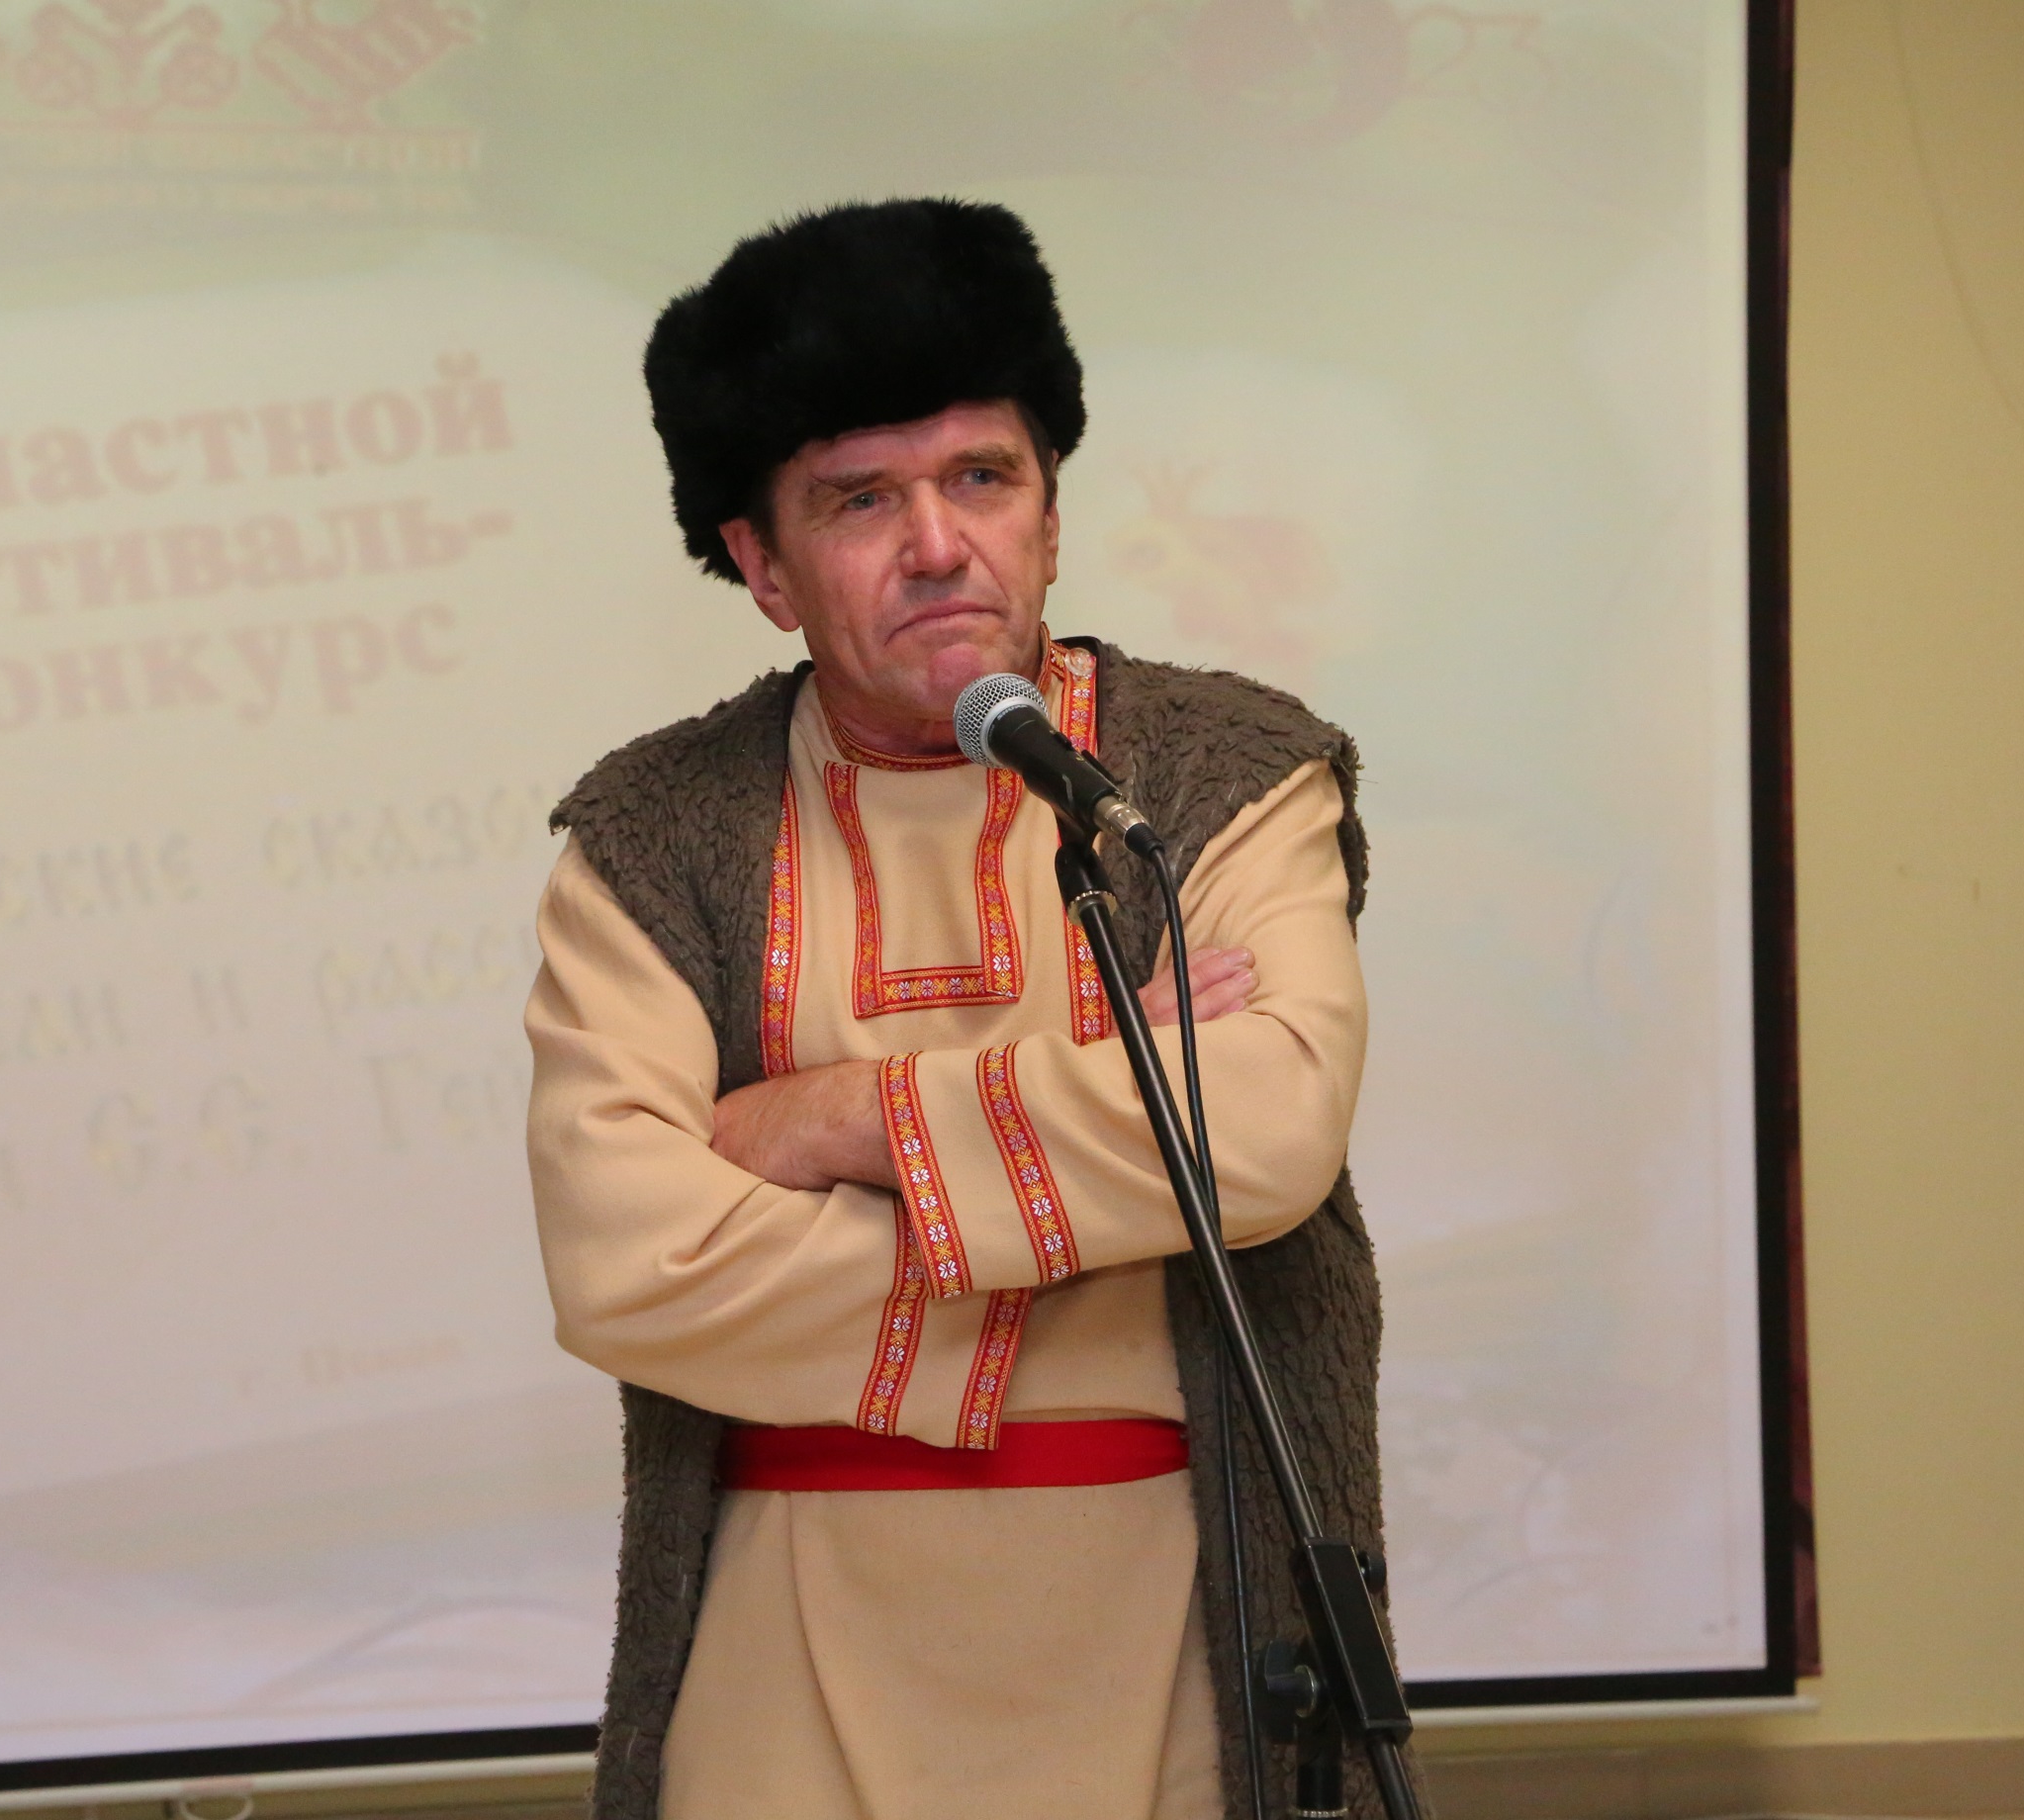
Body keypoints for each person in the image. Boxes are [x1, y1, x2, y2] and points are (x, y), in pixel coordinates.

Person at [525, 198, 1404, 1820]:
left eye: (983, 479)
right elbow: (623, 1256)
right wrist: (1099, 1167)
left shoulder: (1221, 773)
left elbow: (1265, 1131)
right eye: (860, 499)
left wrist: (823, 1120)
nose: (938, 544)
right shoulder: (653, 833)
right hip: (788, 1637)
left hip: (1178, 1622)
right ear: (762, 567)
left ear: (1052, 516)